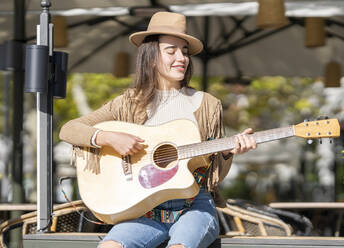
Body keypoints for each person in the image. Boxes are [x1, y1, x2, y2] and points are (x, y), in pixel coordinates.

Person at [59, 11, 257, 248]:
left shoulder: (208, 104)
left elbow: (213, 175)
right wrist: (108, 137)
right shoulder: (128, 102)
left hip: (193, 207)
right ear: (151, 57)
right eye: (171, 51)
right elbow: (69, 129)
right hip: (144, 211)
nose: (181, 57)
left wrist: (228, 152)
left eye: (184, 52)